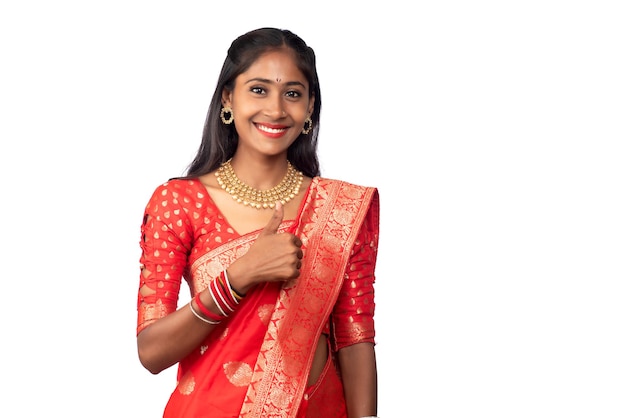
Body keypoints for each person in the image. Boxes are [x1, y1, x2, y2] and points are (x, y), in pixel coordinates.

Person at [136, 27, 380, 418]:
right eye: (259, 89)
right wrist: (239, 276)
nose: (277, 109)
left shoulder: (341, 209)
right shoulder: (177, 202)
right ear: (228, 98)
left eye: (293, 93)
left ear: (310, 108)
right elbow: (151, 352)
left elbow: (355, 339)